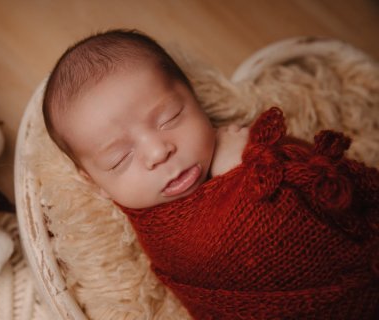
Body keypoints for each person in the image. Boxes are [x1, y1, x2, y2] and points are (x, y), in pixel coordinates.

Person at [43, 29, 379, 319]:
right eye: (120, 158)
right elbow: (247, 240)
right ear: (95, 183)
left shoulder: (236, 142)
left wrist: (258, 155)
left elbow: (320, 179)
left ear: (195, 99)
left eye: (170, 117)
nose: (159, 152)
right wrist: (244, 173)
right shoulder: (173, 239)